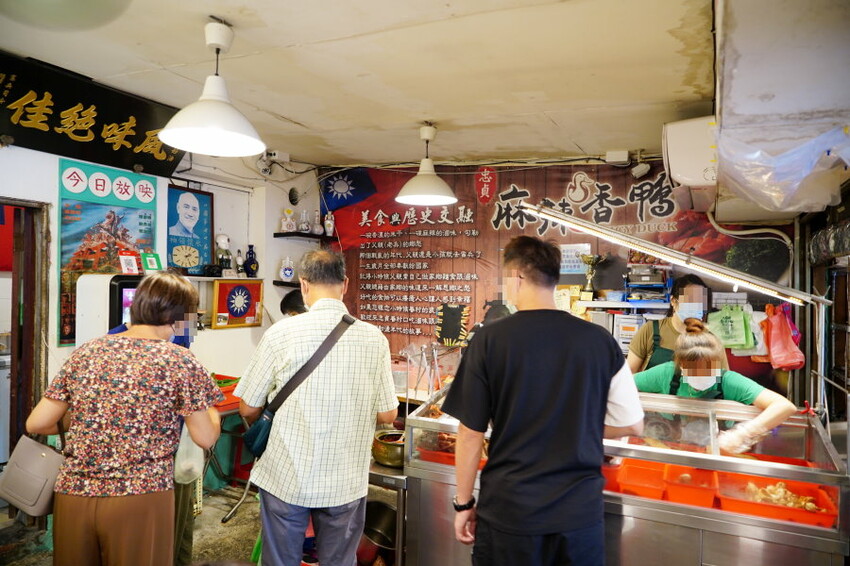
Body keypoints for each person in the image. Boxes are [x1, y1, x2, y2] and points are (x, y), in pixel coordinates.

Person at [442, 236, 645, 566]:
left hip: (511, 513)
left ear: (516, 276)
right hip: (579, 516)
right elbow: (633, 425)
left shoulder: (489, 340)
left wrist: (463, 504)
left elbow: (469, 433)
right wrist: (576, 425)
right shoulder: (600, 340)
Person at [26, 270, 222, 566]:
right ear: (180, 316)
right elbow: (205, 437)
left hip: (74, 493)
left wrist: (92, 415)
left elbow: (37, 423)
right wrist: (211, 410)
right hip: (140, 497)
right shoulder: (179, 360)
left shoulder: (88, 351)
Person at [235, 250, 398, 566]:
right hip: (345, 479)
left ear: (304, 284)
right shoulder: (374, 338)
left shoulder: (280, 333)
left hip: (285, 475)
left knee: (280, 561)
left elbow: (247, 407)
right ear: (345, 284)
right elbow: (387, 415)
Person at [634, 318, 796, 454]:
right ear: (682, 366)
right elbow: (623, 387)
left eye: (709, 369)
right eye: (696, 371)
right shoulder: (666, 374)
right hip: (671, 447)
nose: (703, 375)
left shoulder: (729, 381)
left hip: (718, 451)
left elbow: (785, 406)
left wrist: (744, 433)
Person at [627, 273, 729, 373]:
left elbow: (725, 379)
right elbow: (628, 375)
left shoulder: (712, 341)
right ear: (673, 301)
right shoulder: (650, 330)